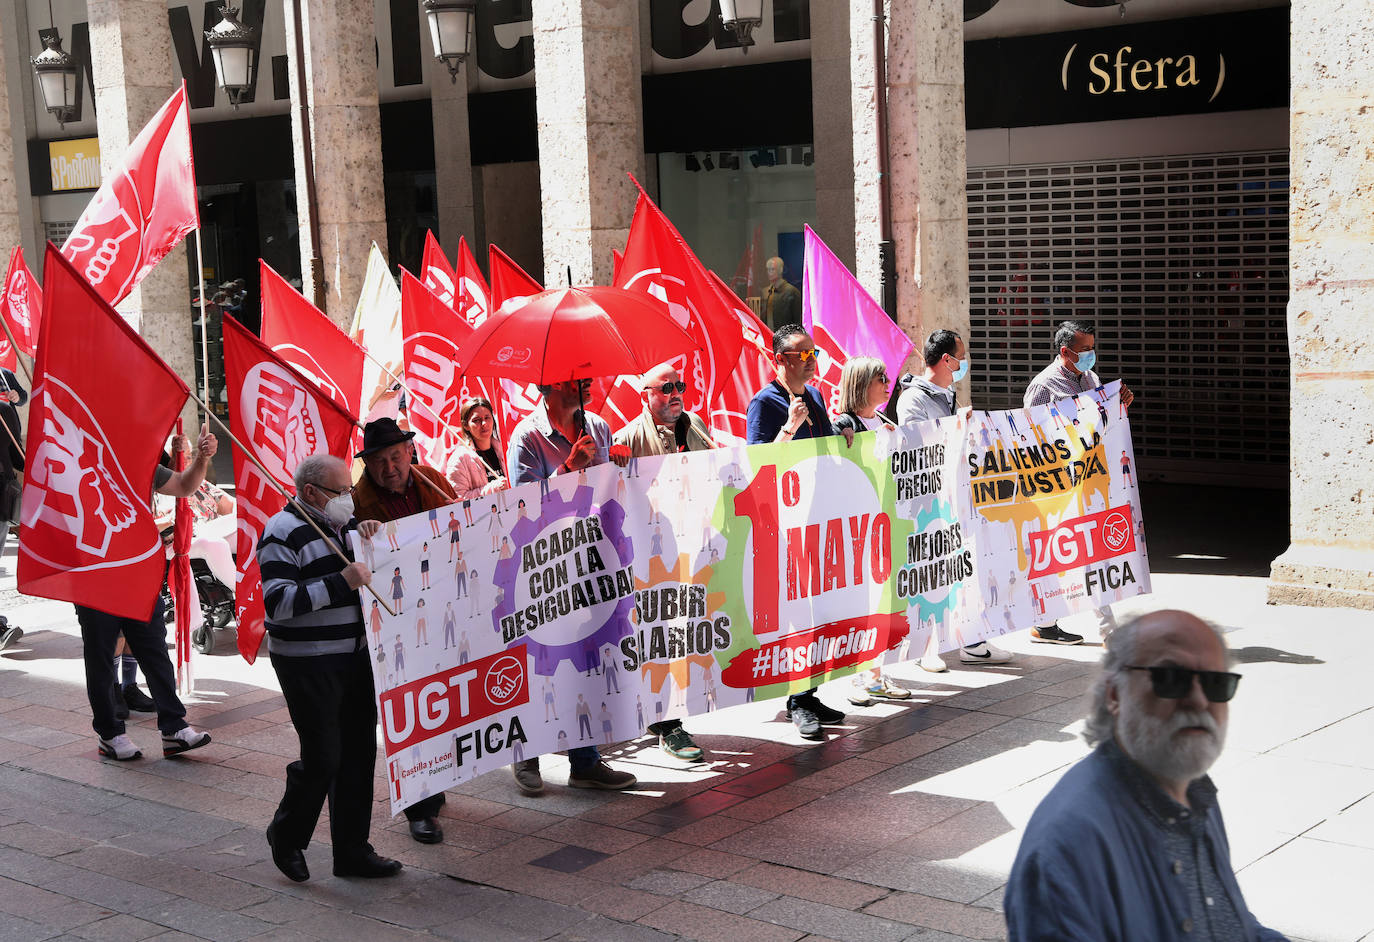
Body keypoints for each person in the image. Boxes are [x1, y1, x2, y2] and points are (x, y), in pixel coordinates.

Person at [1004, 610, 1285, 941]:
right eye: (1170, 679)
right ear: (1114, 694)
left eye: (1215, 683)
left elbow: (1229, 923)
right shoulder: (1069, 847)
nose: (1197, 700)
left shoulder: (1193, 790)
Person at [258, 454, 402, 883]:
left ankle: (353, 851)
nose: (349, 499)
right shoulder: (280, 531)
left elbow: (365, 554)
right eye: (341, 492)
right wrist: (342, 582)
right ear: (310, 493)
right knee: (323, 757)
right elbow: (279, 603)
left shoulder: (342, 527)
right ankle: (286, 835)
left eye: (350, 490)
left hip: (356, 656)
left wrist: (369, 533)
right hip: (308, 662)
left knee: (358, 755)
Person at [506, 377, 636, 794]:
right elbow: (521, 506)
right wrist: (567, 470)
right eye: (573, 377)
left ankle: (585, 761)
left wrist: (619, 467)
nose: (586, 381)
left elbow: (607, 493)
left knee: (584, 656)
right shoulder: (527, 437)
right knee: (540, 658)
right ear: (547, 387)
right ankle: (526, 756)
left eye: (586, 374)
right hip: (542, 567)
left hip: (586, 558)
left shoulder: (598, 426)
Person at [74, 424, 217, 762]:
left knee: (154, 650)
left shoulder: (142, 466)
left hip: (138, 574)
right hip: (95, 576)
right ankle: (110, 734)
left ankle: (174, 728)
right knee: (101, 657)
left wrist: (202, 458)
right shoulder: (80, 465)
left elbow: (184, 486)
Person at [351, 417, 458, 845]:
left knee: (446, 701)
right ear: (368, 465)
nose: (389, 466)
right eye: (379, 461)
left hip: (445, 608)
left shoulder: (431, 480)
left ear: (410, 452)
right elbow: (350, 547)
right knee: (411, 708)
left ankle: (438, 778)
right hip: (396, 621)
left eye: (395, 456)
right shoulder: (359, 502)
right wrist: (357, 533)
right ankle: (421, 805)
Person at [746, 324, 851, 739]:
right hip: (786, 524)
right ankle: (796, 699)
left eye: (814, 353)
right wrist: (788, 427)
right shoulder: (765, 402)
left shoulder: (818, 395)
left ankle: (810, 692)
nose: (811, 361)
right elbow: (757, 462)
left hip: (819, 515)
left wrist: (842, 430)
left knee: (821, 609)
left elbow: (824, 443)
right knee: (797, 615)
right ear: (779, 361)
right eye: (801, 355)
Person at [894, 330, 1015, 669]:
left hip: (953, 494)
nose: (964, 363)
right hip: (927, 501)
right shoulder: (913, 399)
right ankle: (924, 648)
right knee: (929, 573)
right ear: (946, 360)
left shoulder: (946, 393)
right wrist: (956, 426)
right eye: (960, 356)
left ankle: (972, 641)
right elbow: (916, 445)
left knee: (962, 568)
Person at [613, 362, 714, 762]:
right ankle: (665, 723)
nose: (675, 393)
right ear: (645, 395)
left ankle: (673, 711)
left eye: (680, 385)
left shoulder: (697, 426)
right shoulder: (627, 438)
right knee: (657, 637)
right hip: (652, 561)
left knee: (686, 634)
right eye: (665, 387)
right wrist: (612, 461)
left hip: (694, 549)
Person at [1023, 320, 1135, 645]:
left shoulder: (1091, 378)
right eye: (1085, 350)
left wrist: (1120, 401)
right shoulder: (1044, 386)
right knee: (1086, 552)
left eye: (1091, 348)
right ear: (1065, 352)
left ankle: (1045, 624)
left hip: (1092, 479)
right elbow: (1030, 434)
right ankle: (1107, 631)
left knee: (1087, 550)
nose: (1091, 355)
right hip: (1062, 484)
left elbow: (1101, 419)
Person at [830, 357, 914, 704]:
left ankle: (877, 672)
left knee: (881, 602)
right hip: (855, 529)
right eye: (880, 377)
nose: (886, 383)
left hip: (883, 523)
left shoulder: (882, 421)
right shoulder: (842, 425)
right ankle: (856, 676)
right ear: (861, 384)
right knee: (857, 604)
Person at [445, 397, 509, 499]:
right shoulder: (459, 459)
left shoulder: (506, 449)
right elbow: (459, 499)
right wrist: (493, 489)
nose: (484, 424)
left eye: (487, 417)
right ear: (466, 425)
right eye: (476, 420)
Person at [761, 256, 801, 329]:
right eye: (768, 269)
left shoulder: (792, 292)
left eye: (772, 269)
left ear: (780, 270)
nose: (769, 272)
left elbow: (798, 321)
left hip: (787, 337)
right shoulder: (767, 292)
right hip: (770, 336)